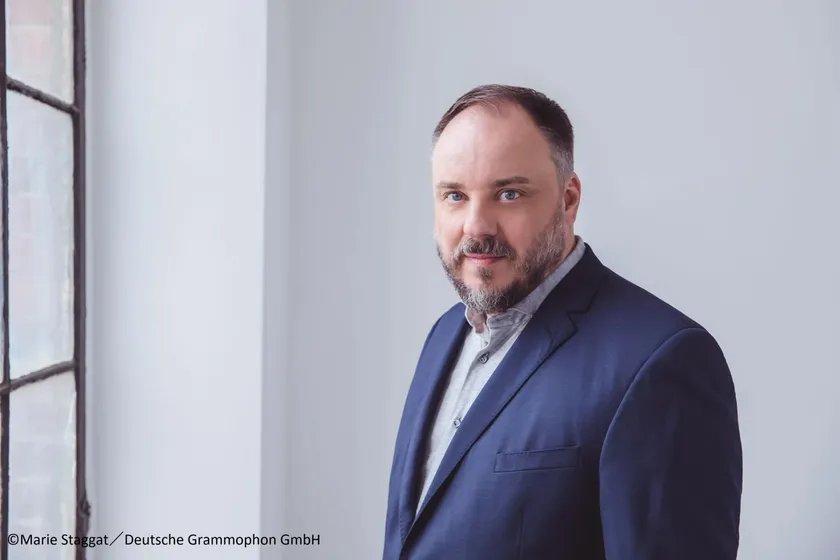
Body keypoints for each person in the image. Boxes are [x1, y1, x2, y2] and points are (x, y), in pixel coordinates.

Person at [382, 84, 742, 559]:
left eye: (508, 193)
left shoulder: (660, 362)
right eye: (455, 195)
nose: (476, 226)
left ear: (568, 200)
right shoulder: (446, 334)